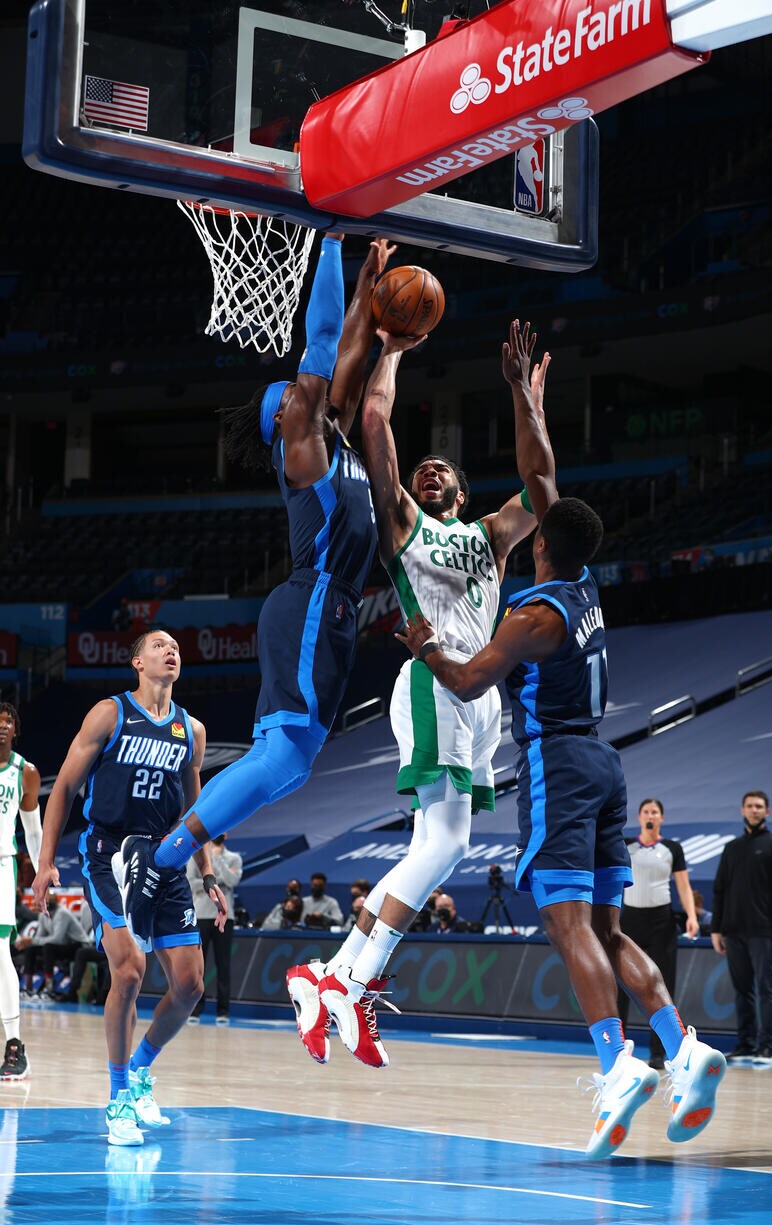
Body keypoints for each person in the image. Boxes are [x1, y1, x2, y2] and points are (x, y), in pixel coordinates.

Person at [396, 319, 726, 1159]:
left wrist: (421, 643)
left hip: (558, 762)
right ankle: (684, 1048)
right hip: (607, 764)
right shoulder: (584, 584)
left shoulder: (535, 616)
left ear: (540, 543)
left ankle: (616, 1064)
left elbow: (466, 680)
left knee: (565, 922)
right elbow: (541, 475)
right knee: (607, 929)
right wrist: (524, 397)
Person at [116, 234, 391, 948]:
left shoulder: (331, 438)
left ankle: (165, 852)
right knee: (283, 757)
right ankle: (162, 859)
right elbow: (325, 342)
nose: (309, 388)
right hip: (310, 604)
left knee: (290, 767)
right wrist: (330, 244)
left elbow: (348, 352)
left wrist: (369, 283)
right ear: (284, 417)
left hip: (324, 610)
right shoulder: (302, 441)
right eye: (297, 392)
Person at [286, 323, 542, 1069]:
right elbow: (373, 422)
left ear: (462, 493)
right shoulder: (403, 524)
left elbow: (542, 491)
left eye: (441, 471)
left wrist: (526, 402)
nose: (428, 473)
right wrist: (392, 350)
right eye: (420, 469)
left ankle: (328, 972)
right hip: (433, 680)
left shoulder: (491, 536)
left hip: (481, 694)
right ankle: (351, 981)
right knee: (447, 844)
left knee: (432, 847)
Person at [32, 629, 226, 1146]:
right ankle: (118, 1098)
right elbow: (64, 786)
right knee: (130, 969)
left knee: (190, 986)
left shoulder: (191, 730)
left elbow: (194, 810)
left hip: (163, 857)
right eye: (159, 645)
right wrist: (45, 862)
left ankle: (140, 1070)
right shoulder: (109, 714)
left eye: (175, 647)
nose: (171, 650)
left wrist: (207, 872)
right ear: (137, 662)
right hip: (110, 854)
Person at [710, 790, 772, 1068]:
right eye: (750, 806)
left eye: (759, 806)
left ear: (767, 811)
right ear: (742, 810)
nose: (754, 810)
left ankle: (767, 1047)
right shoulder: (732, 848)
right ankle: (745, 1044)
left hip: (764, 931)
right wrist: (716, 929)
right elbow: (720, 889)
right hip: (733, 931)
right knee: (742, 990)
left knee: (766, 989)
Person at [618, 798, 699, 1069]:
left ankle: (659, 1051)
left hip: (661, 922)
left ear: (661, 818)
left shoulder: (672, 848)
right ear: (639, 817)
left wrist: (691, 916)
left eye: (654, 812)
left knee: (662, 986)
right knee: (622, 986)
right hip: (630, 920)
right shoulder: (626, 846)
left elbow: (683, 886)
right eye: (646, 812)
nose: (650, 816)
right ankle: (619, 1049)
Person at [0, 701, 41, 1080]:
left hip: (1, 865)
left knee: (0, 953)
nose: (2, 725)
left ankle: (14, 1045)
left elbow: (33, 831)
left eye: (8, 720)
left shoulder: (24, 772)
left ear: (15, 729)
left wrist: (42, 873)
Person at [186, 834, 243, 1025]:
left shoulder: (234, 858)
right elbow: (190, 882)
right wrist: (214, 884)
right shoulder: (197, 856)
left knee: (223, 964)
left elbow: (232, 880)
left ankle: (223, 1011)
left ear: (226, 835)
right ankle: (195, 1009)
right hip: (201, 915)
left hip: (225, 916)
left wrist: (217, 860)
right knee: (198, 965)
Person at [18, 892, 92, 996]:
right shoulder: (43, 915)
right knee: (31, 949)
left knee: (48, 948)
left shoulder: (62, 913)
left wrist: (32, 940)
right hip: (62, 944)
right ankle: (28, 988)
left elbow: (58, 939)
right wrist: (31, 942)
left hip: (78, 944)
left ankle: (49, 989)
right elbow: (39, 937)